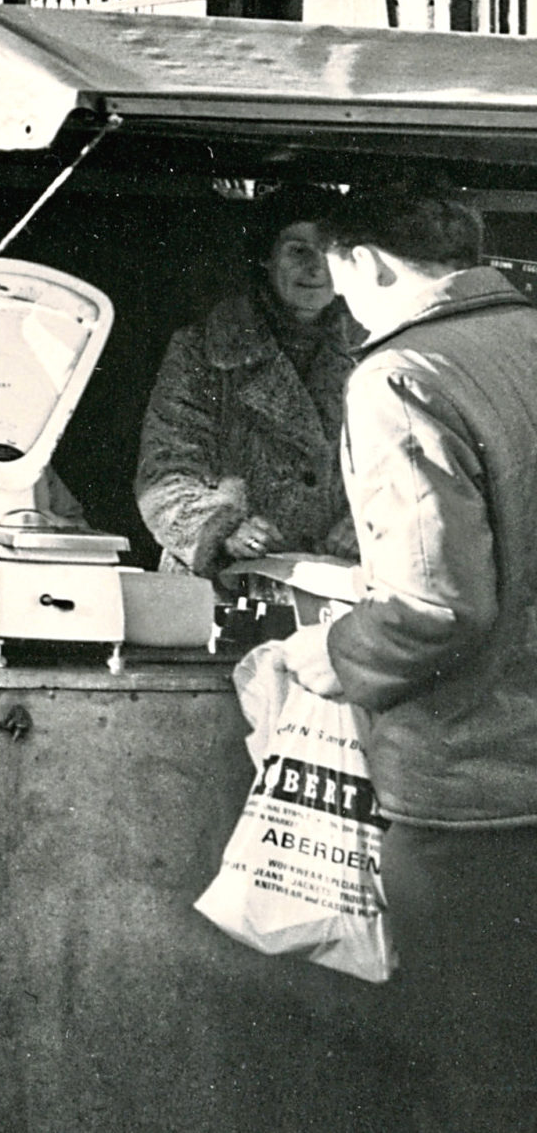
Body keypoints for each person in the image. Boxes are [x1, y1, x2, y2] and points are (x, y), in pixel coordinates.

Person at [281, 180, 537, 1130]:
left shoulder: (402, 375)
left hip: (473, 796)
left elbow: (436, 606)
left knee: (467, 1083)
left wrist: (334, 655)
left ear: (365, 263)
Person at [134, 189, 361, 573]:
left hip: (338, 580)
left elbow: (409, 471)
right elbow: (165, 468)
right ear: (265, 258)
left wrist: (370, 524)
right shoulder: (202, 350)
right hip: (222, 581)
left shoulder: (373, 350)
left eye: (329, 251)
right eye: (298, 251)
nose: (317, 268)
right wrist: (221, 530)